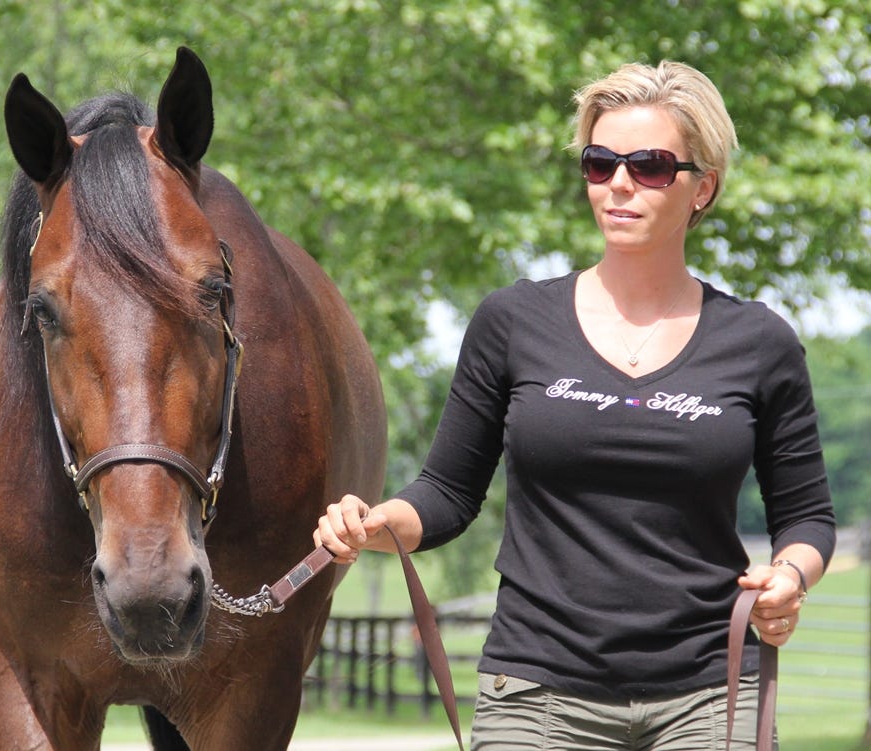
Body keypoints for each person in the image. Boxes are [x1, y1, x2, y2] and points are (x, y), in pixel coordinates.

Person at [313, 60, 835, 750]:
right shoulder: (512, 321)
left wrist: (789, 576)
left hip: (711, 693)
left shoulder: (760, 342)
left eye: (649, 165)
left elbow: (806, 515)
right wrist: (374, 522)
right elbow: (445, 491)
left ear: (701, 187)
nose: (619, 183)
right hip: (536, 694)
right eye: (600, 162)